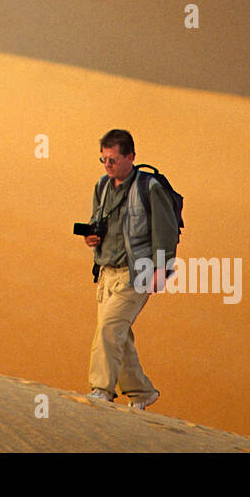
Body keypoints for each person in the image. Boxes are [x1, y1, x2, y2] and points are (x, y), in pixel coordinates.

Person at [82, 129, 179, 409]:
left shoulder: (150, 188)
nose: (107, 165)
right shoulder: (102, 186)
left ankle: (101, 389)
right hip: (107, 273)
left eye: (112, 159)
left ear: (130, 157)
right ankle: (142, 392)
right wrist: (92, 237)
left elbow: (166, 231)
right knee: (116, 335)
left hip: (136, 274)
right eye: (103, 160)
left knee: (109, 330)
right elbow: (95, 221)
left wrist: (162, 269)